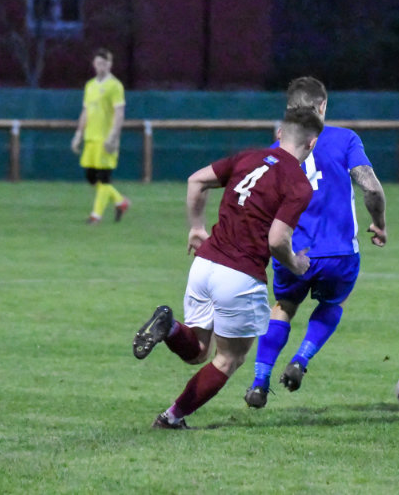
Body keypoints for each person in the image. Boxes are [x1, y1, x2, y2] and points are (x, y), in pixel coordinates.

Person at [131, 106, 323, 429]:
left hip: (204, 264)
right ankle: (171, 418)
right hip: (239, 275)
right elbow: (278, 239)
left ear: (279, 133)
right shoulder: (299, 183)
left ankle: (171, 328)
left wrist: (196, 227)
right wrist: (296, 263)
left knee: (198, 351)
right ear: (312, 143)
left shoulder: (248, 157)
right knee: (229, 358)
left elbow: (196, 180)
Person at [244, 76, 387, 408]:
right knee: (333, 302)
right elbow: (371, 187)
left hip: (292, 250)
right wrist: (379, 224)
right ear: (322, 106)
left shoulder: (275, 150)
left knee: (283, 306)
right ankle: (301, 359)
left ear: (289, 108)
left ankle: (260, 382)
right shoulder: (345, 139)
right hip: (339, 253)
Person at [70, 48, 130, 225]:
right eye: (98, 63)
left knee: (104, 178)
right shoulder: (90, 85)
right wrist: (78, 134)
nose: (101, 66)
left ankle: (95, 216)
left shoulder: (115, 86)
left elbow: (119, 113)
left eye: (104, 63)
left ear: (110, 64)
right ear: (94, 64)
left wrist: (113, 137)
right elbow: (86, 112)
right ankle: (120, 201)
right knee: (91, 177)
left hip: (106, 139)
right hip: (91, 138)